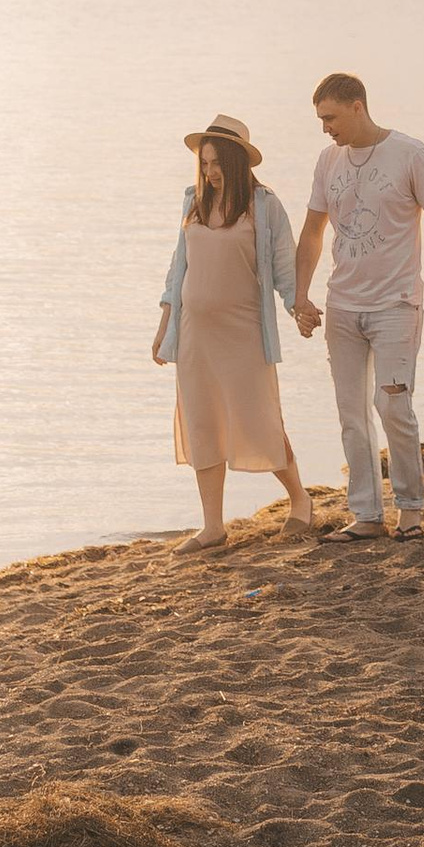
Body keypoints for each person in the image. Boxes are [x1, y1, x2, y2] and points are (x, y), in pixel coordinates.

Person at [293, 72, 424, 541]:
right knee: (351, 414)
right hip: (342, 307)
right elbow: (311, 233)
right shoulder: (328, 161)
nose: (325, 127)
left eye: (330, 117)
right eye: (320, 119)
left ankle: (410, 509)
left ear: (357, 107)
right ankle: (367, 515)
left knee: (393, 406)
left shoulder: (410, 153)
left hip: (396, 304)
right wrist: (300, 296)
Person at [153, 115, 314, 552]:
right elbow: (177, 269)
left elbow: (284, 267)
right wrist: (165, 322)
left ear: (238, 161)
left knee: (260, 418)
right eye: (204, 163)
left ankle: (300, 501)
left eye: (217, 162)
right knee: (202, 424)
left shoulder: (264, 206)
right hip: (194, 334)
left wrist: (298, 305)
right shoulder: (193, 203)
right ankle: (212, 527)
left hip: (243, 333)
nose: (210, 171)